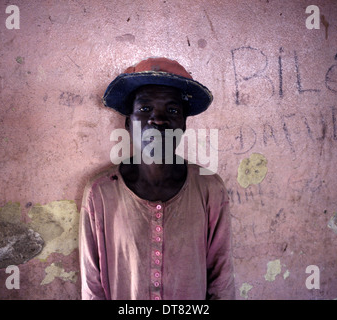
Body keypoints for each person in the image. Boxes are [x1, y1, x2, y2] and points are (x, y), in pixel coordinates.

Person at [79, 57, 235, 300]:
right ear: (128, 123)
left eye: (172, 111)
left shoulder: (209, 189)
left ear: (183, 124)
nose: (158, 120)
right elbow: (93, 287)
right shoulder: (100, 193)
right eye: (144, 109)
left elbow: (221, 279)